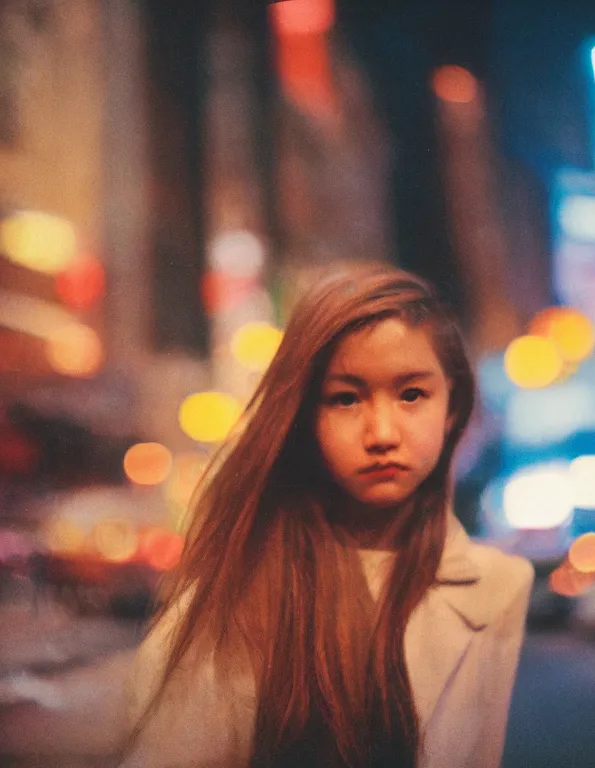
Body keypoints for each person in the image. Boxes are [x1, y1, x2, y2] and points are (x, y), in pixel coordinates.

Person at [120, 265, 534, 768]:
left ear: (452, 408)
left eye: (411, 394)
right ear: (301, 418)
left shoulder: (499, 586)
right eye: (345, 398)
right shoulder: (236, 594)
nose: (381, 432)